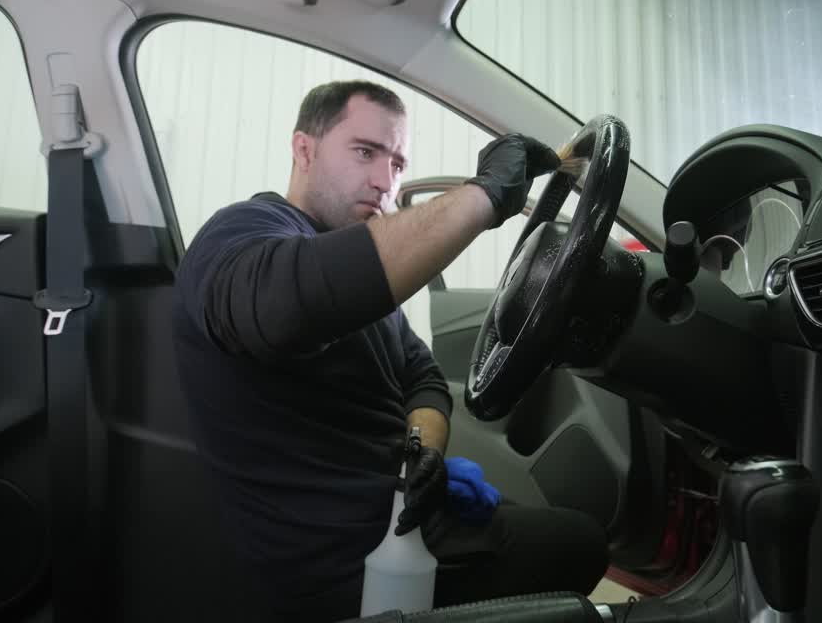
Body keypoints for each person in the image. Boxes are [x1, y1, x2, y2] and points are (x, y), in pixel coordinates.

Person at [171, 80, 610, 621]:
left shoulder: (372, 281)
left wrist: (422, 451)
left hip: (400, 517)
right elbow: (282, 306)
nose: (385, 181)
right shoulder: (243, 231)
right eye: (365, 152)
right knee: (582, 543)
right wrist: (485, 194)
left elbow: (421, 376)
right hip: (336, 564)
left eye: (398, 163)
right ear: (303, 149)